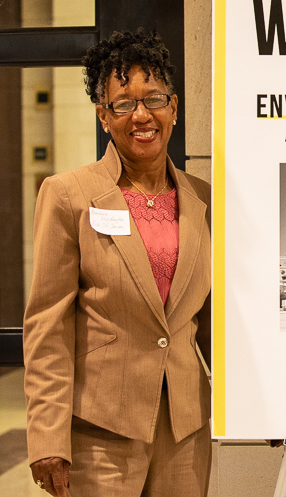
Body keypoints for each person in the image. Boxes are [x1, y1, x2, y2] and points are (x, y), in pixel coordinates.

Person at [23, 29, 213, 496]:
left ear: (174, 108)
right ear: (103, 116)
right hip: (99, 432)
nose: (141, 115)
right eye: (123, 103)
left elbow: (221, 321)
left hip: (184, 431)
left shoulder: (204, 199)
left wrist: (269, 406)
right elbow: (47, 324)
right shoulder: (69, 195)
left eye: (153, 99)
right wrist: (47, 436)